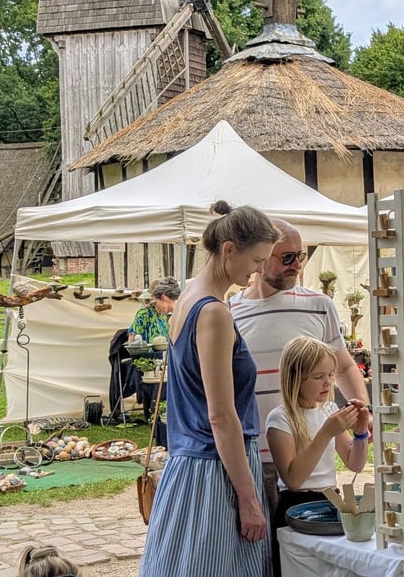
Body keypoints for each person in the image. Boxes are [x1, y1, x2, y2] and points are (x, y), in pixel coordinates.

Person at [139, 201, 279, 577]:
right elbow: (220, 415)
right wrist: (249, 499)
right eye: (256, 260)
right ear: (229, 249)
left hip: (188, 466)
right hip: (214, 472)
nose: (259, 270)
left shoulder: (186, 299)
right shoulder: (213, 312)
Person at [229, 219, 370, 519]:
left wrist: (365, 413)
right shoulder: (230, 312)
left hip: (310, 457)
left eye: (301, 256)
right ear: (260, 258)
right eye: (287, 258)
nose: (296, 265)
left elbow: (343, 365)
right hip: (254, 455)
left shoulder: (320, 305)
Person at [266, 336, 370, 575]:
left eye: (331, 375)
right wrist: (326, 432)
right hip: (297, 509)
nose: (328, 383)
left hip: (329, 503)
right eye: (318, 376)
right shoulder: (280, 419)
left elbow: (354, 464)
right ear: (295, 377)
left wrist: (361, 433)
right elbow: (293, 479)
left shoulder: (329, 410)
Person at [129, 277, 181, 421]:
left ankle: (164, 411)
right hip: (148, 356)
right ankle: (154, 413)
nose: (155, 304)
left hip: (164, 355)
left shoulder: (164, 314)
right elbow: (132, 337)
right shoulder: (143, 313)